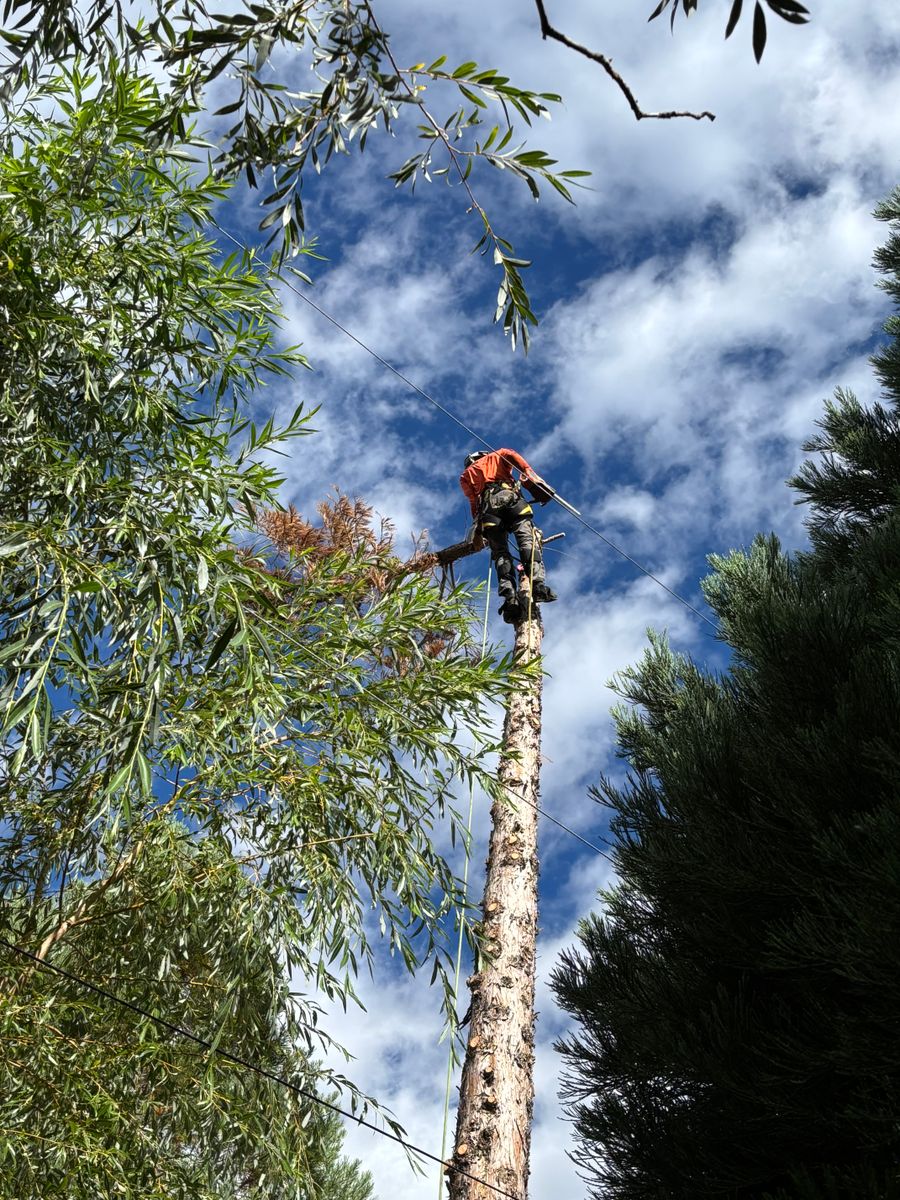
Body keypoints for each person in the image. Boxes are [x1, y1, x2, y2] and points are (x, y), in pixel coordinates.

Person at [459, 448, 558, 619]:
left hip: (488, 511)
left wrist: (478, 526)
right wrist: (529, 473)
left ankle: (510, 597)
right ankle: (538, 585)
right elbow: (514, 457)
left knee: (500, 554)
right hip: (510, 498)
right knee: (527, 541)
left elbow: (474, 502)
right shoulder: (498, 455)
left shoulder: (466, 476)